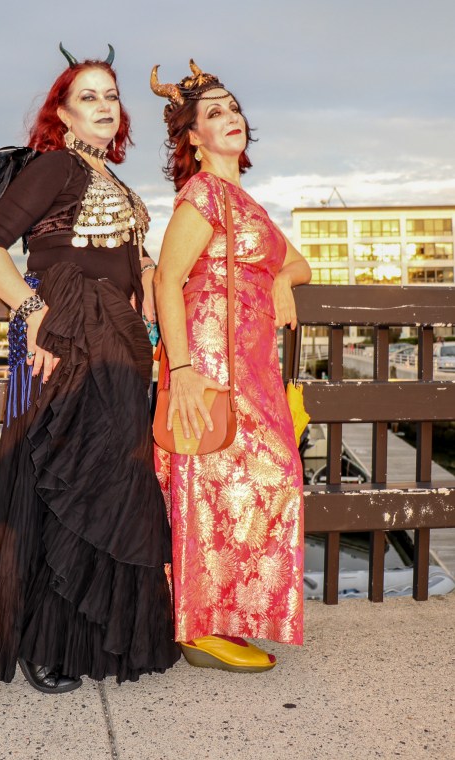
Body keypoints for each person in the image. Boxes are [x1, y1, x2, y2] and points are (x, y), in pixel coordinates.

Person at [0, 45, 179, 693]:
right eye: (88, 97)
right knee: (67, 479)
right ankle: (42, 641)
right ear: (64, 115)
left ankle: (90, 634)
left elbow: (134, 261)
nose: (104, 106)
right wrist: (35, 313)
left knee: (110, 477)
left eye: (111, 95)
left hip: (120, 338)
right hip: (69, 332)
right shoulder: (54, 166)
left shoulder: (113, 180)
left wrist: (156, 292)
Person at [151, 60, 311, 672]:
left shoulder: (247, 202)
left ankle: (225, 617)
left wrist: (281, 282)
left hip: (254, 364)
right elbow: (167, 280)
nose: (231, 117)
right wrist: (183, 370)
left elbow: (299, 263)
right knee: (208, 480)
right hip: (209, 359)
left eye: (234, 107)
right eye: (214, 112)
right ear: (194, 137)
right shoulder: (203, 194)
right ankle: (198, 626)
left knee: (269, 479)